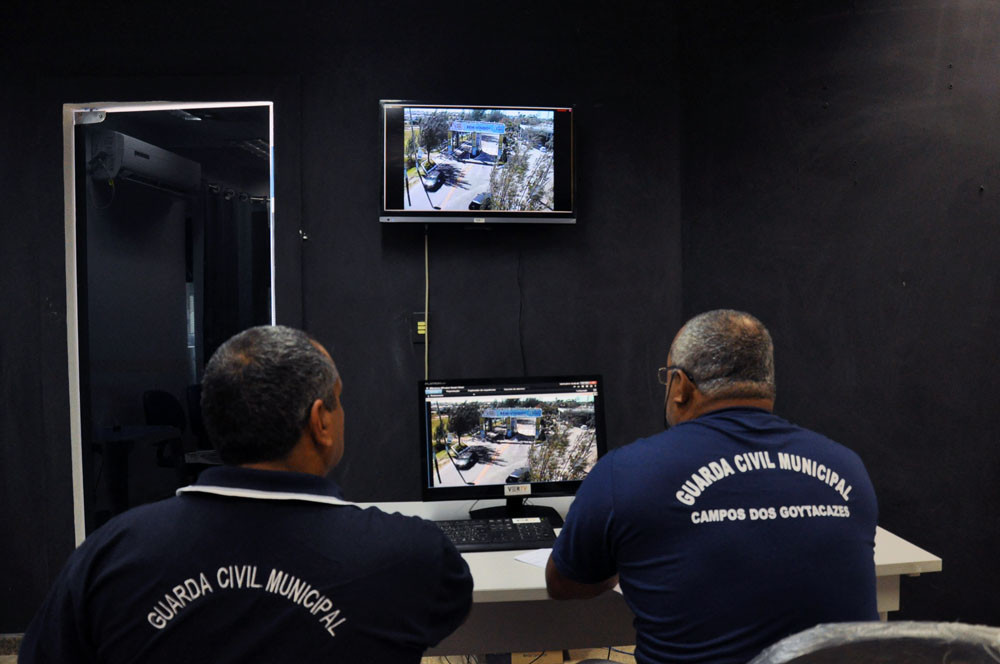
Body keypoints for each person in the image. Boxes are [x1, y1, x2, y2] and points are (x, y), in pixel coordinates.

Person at [21, 325, 473, 663]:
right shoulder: (412, 555)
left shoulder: (108, 554)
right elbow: (449, 610)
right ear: (321, 421)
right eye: (339, 399)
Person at [546, 310, 878, 664]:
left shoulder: (625, 471)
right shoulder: (848, 468)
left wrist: (623, 560)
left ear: (681, 387)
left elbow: (563, 583)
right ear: (765, 381)